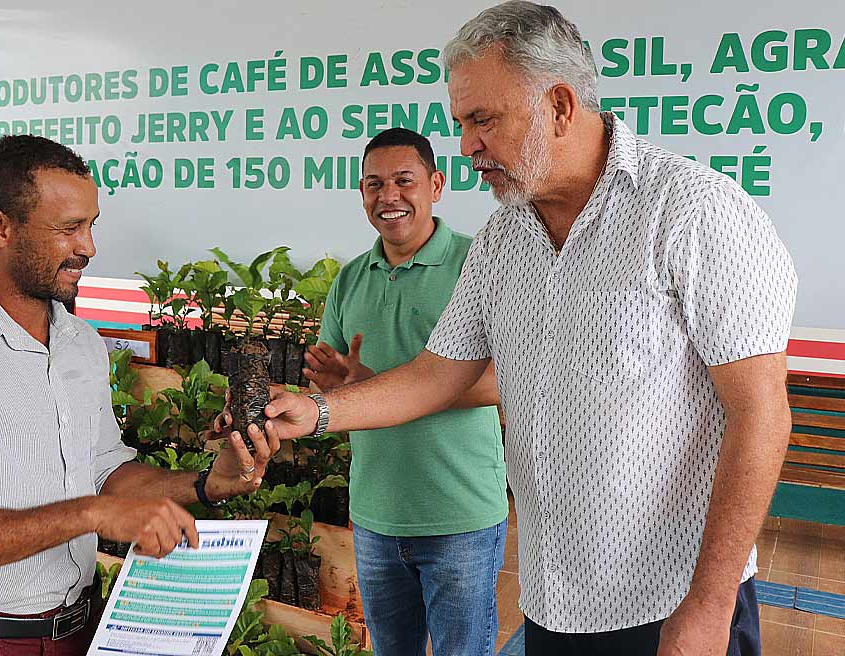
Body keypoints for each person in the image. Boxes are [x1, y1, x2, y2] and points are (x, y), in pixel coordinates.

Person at [245, 2, 798, 655]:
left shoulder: (691, 213)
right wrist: (312, 411)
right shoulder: (503, 239)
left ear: (560, 105)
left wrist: (709, 607)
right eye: (460, 123)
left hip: (672, 603)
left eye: (483, 120)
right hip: (553, 599)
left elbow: (760, 413)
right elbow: (435, 374)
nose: (466, 145)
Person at [0, 135, 278, 656]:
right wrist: (91, 514)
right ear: (0, 228)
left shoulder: (80, 343)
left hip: (83, 634)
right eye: (68, 228)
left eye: (90, 224)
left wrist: (207, 484)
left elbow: (107, 472)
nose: (88, 247)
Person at [303, 127, 507, 656]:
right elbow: (339, 380)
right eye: (374, 185)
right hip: (375, 515)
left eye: (403, 181)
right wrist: (337, 386)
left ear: (436, 185)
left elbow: (506, 382)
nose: (388, 197)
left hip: (459, 514)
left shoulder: (479, 264)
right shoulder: (350, 279)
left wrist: (379, 388)